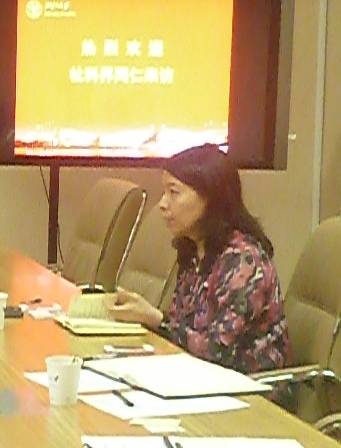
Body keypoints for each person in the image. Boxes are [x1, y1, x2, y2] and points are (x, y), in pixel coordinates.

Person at [107, 144, 291, 373]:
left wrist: (156, 320)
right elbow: (183, 326)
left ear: (210, 198)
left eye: (174, 192)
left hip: (246, 386)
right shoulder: (193, 249)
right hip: (198, 374)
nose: (162, 204)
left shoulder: (244, 261)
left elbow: (218, 350)